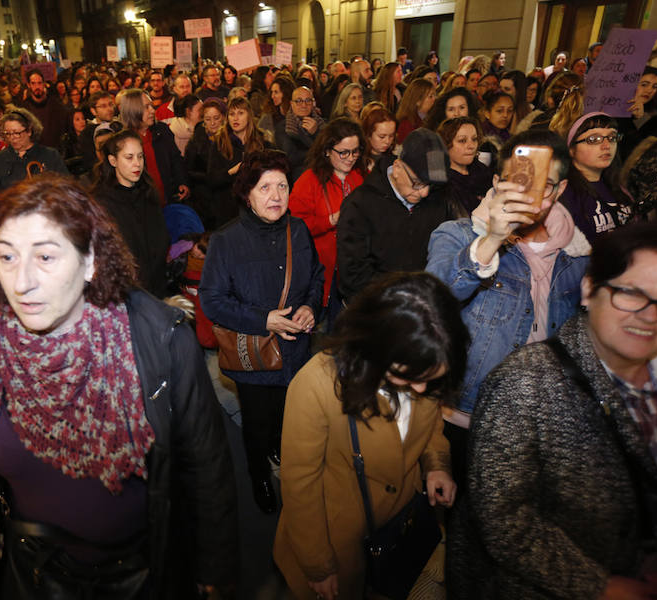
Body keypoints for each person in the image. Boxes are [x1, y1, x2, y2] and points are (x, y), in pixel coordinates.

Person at [0, 174, 238, 598]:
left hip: (147, 564)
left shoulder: (157, 338)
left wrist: (215, 568)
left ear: (91, 260)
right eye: (7, 257)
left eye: (45, 257)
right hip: (30, 571)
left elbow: (205, 463)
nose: (22, 282)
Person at [448, 221, 657, 600]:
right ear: (588, 289)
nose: (650, 315)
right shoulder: (525, 383)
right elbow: (502, 518)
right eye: (631, 294)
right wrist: (600, 586)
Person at [275, 272, 468, 600]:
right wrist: (318, 567)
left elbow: (431, 423)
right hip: (337, 539)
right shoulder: (317, 386)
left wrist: (436, 464)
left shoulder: (423, 358)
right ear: (377, 346)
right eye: (410, 378)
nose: (422, 389)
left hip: (399, 527)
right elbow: (299, 485)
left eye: (430, 379)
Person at [426, 129, 590, 484]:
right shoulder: (455, 235)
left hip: (542, 419)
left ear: (561, 190)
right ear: (498, 182)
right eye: (519, 183)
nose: (531, 196)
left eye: (546, 186)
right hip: (469, 415)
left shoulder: (578, 255)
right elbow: (437, 295)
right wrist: (493, 238)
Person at [200, 149, 324, 514]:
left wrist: (310, 307)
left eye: (282, 186)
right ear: (247, 193)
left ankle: (278, 448)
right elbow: (212, 300)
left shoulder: (298, 230)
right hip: (253, 357)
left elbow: (316, 277)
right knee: (256, 424)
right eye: (264, 187)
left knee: (291, 415)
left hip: (297, 350)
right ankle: (258, 477)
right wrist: (262, 319)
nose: (275, 195)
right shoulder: (227, 240)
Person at [337, 128, 457, 304]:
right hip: (376, 311)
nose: (424, 192)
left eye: (430, 185)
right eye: (416, 183)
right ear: (398, 167)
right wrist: (403, 296)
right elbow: (354, 275)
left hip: (424, 305)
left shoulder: (438, 200)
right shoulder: (359, 205)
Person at [289, 118, 365, 317]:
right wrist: (331, 220)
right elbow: (295, 225)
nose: (351, 157)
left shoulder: (358, 177)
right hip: (321, 272)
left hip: (350, 270)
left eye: (355, 151)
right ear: (327, 151)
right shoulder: (309, 180)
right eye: (343, 152)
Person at [92, 130, 170, 298]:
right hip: (126, 291)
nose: (137, 164)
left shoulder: (148, 192)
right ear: (113, 161)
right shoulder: (101, 202)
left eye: (140, 156)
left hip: (157, 286)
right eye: (129, 157)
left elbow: (161, 238)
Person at [559, 112, 632, 242]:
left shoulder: (619, 188)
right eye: (593, 139)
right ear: (571, 149)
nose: (606, 146)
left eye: (612, 137)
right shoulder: (564, 194)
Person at [206, 97, 273, 227]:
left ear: (249, 115)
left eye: (240, 113)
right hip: (228, 211)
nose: (235, 118)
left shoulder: (263, 143)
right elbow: (211, 179)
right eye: (232, 114)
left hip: (257, 209)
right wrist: (231, 172)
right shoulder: (219, 143)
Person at [117, 89, 190, 205]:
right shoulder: (122, 142)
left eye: (151, 106)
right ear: (133, 110)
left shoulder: (162, 130)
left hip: (170, 200)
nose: (152, 110)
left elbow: (175, 158)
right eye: (146, 107)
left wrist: (182, 181)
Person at [0, 108, 68, 194]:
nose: (12, 138)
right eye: (8, 134)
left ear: (29, 131)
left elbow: (66, 188)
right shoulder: (0, 159)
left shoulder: (50, 155)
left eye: (16, 133)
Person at [184, 98, 226, 229]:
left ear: (223, 118)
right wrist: (208, 178)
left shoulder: (231, 140)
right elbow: (188, 170)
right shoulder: (196, 142)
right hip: (204, 200)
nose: (212, 123)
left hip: (226, 199)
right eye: (208, 119)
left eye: (216, 118)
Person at [438, 116, 492, 215]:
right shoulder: (440, 183)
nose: (471, 146)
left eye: (474, 139)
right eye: (462, 141)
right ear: (446, 144)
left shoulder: (483, 171)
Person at [274, 85, 326, 183]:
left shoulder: (322, 124)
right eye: (298, 101)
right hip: (296, 178)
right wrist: (316, 143)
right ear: (291, 104)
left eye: (308, 100)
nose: (303, 105)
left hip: (322, 175)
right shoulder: (283, 127)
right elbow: (291, 158)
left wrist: (317, 133)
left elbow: (330, 149)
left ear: (313, 103)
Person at [20, 70, 70, 150]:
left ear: (44, 84)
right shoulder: (24, 109)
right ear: (28, 85)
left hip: (55, 150)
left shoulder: (56, 105)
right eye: (33, 83)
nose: (37, 87)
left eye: (39, 83)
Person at [395, 79, 437, 143]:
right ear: (418, 101)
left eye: (435, 95)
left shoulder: (432, 117)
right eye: (430, 96)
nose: (434, 99)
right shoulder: (407, 124)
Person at [360, 104, 397, 170]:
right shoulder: (358, 162)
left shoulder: (395, 160)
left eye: (391, 136)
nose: (387, 141)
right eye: (382, 137)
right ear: (368, 135)